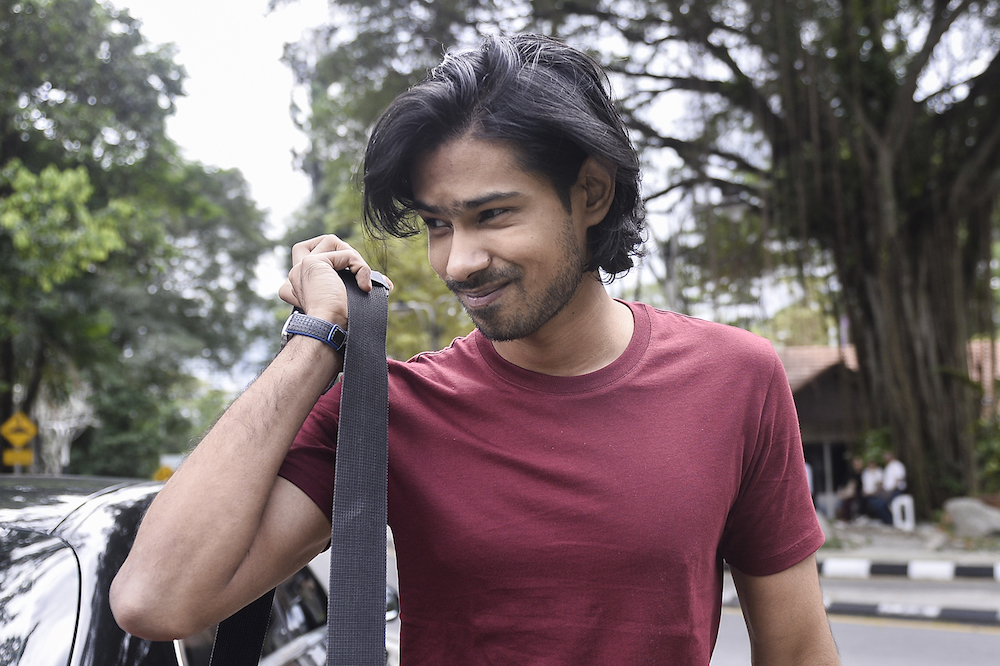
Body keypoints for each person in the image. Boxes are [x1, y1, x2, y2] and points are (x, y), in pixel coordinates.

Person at [112, 34, 839, 664]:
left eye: (492, 214)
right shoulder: (387, 409)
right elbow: (156, 600)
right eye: (436, 225)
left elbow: (799, 651)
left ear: (590, 193)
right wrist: (314, 344)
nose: (458, 262)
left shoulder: (736, 378)